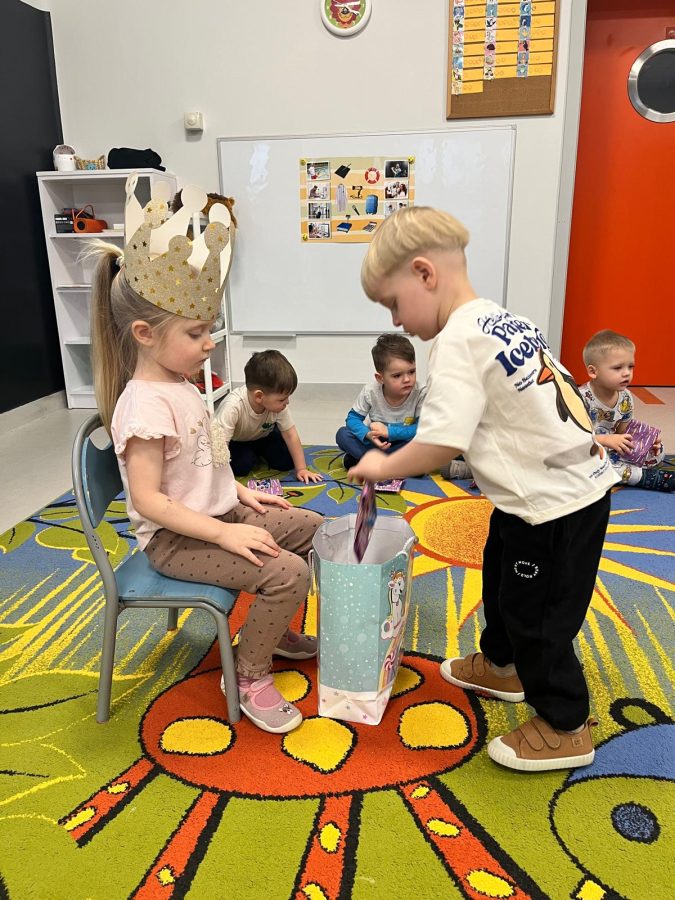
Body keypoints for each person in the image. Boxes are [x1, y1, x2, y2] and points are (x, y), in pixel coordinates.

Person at [350, 206, 619, 772]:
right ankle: (502, 665)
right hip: (540, 497)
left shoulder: (457, 341)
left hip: (555, 508)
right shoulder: (501, 319)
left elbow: (440, 444)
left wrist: (380, 464)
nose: (397, 321)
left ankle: (566, 723)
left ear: (425, 274)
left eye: (394, 303)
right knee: (500, 576)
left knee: (538, 618)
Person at [89, 185, 323, 735]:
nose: (209, 343)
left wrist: (239, 493)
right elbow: (149, 500)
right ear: (145, 335)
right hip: (177, 540)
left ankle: (270, 628)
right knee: (287, 572)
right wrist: (224, 533)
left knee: (312, 527)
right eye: (195, 333)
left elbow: (200, 462)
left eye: (209, 330)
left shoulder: (180, 383)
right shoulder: (144, 405)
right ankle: (248, 673)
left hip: (216, 512)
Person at [580, 330, 673, 492]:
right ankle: (641, 477)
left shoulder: (625, 397)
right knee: (596, 466)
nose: (627, 373)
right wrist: (605, 440)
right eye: (618, 368)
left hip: (611, 449)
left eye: (630, 366)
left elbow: (623, 432)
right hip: (587, 449)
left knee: (659, 452)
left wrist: (646, 443)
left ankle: (627, 469)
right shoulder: (581, 398)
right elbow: (574, 438)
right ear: (593, 372)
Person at [213, 350, 323, 483]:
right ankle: (252, 455)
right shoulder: (233, 407)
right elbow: (219, 444)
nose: (287, 402)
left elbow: (290, 434)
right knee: (241, 466)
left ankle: (258, 453)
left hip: (265, 436)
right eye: (282, 399)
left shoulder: (279, 406)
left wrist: (301, 469)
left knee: (287, 462)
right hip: (238, 441)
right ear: (259, 396)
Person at [335, 333, 426, 469]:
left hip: (404, 443)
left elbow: (422, 428)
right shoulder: (370, 391)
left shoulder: (421, 392)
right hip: (376, 442)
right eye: (397, 375)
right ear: (380, 378)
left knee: (425, 445)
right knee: (342, 434)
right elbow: (352, 419)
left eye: (412, 372)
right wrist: (368, 435)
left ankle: (367, 461)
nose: (407, 379)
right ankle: (389, 464)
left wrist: (389, 432)